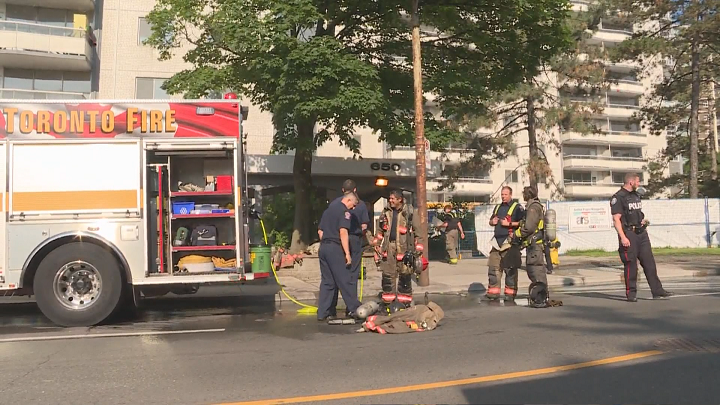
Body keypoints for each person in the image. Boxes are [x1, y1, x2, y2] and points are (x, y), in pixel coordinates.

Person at [611, 173, 674, 302]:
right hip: (629, 233)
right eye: (637, 181)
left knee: (649, 263)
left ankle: (657, 290)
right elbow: (616, 219)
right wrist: (623, 237)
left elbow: (636, 213)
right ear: (631, 182)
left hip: (641, 233)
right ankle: (631, 293)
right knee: (631, 264)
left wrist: (642, 221)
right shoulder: (619, 197)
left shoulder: (635, 195)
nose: (639, 184)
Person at [316, 191, 361, 321]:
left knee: (328, 282)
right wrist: (347, 253)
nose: (353, 208)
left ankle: (323, 312)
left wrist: (326, 243)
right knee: (344, 279)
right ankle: (355, 309)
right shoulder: (344, 212)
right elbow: (343, 232)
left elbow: (320, 231)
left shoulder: (328, 211)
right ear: (348, 200)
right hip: (334, 248)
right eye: (353, 205)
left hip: (324, 247)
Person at [374, 190, 421, 306]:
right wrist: (377, 244)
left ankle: (404, 302)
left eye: (392, 199)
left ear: (399, 199)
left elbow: (418, 232)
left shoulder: (409, 212)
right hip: (388, 247)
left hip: (404, 248)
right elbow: (380, 230)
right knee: (387, 275)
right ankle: (388, 302)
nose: (390, 201)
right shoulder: (386, 212)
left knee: (405, 275)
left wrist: (418, 249)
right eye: (389, 198)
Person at [486, 186, 524, 300]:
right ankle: (493, 293)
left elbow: (523, 223)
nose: (503, 196)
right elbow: (491, 221)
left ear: (510, 195)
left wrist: (509, 224)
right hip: (496, 242)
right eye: (502, 194)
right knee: (493, 268)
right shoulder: (498, 207)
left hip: (509, 243)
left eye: (505, 194)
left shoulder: (517, 207)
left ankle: (510, 293)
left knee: (510, 269)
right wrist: (492, 222)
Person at [512, 185, 547, 305]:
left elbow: (529, 227)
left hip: (535, 246)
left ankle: (541, 297)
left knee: (535, 270)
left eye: (524, 193)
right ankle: (540, 296)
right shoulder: (533, 206)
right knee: (534, 270)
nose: (523, 195)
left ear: (528, 194)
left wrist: (516, 234)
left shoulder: (533, 207)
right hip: (533, 246)